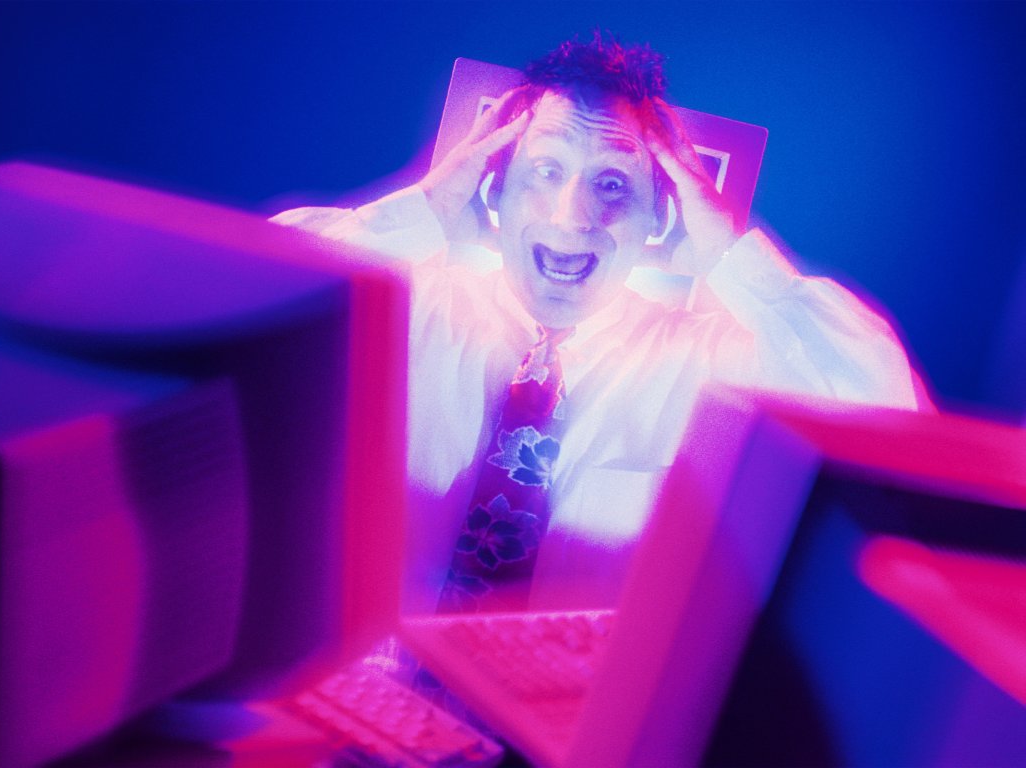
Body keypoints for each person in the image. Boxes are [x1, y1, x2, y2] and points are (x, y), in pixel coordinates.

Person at [273, 35, 924, 613]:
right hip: (352, 702)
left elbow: (891, 426)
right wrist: (425, 210)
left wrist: (729, 256)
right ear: (495, 191)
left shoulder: (710, 368)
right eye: (545, 171)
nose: (572, 215)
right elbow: (251, 304)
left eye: (612, 182)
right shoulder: (400, 309)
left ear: (660, 218)